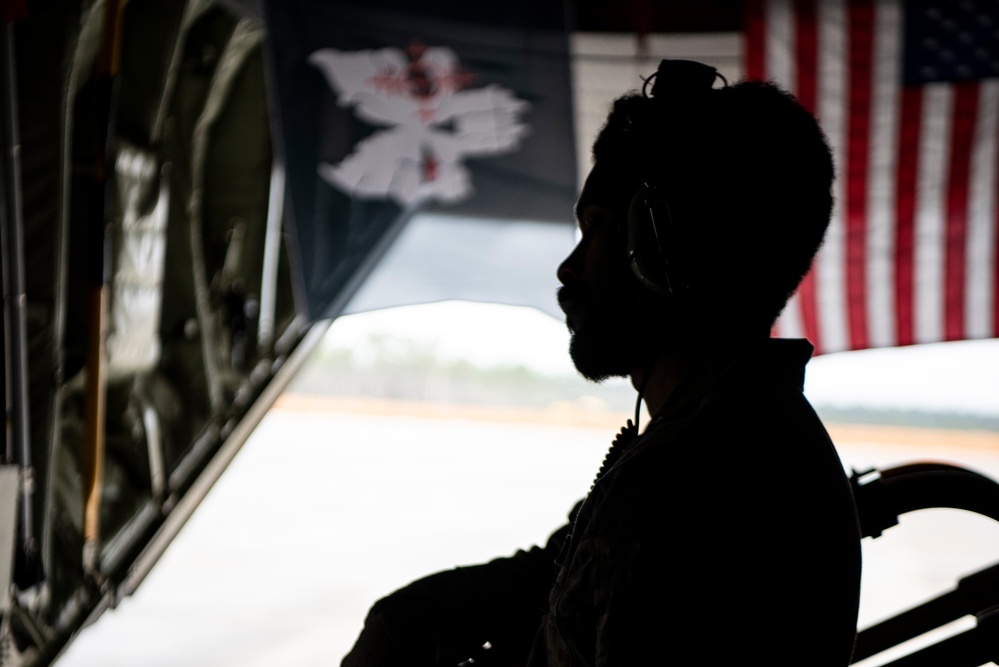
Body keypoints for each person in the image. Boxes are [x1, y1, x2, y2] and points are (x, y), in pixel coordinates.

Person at [342, 59, 862, 667]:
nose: (568, 269)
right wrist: (425, 612)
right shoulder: (726, 431)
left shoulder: (695, 483)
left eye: (598, 230)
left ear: (668, 250)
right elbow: (571, 569)